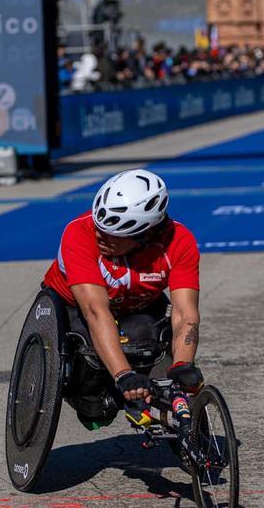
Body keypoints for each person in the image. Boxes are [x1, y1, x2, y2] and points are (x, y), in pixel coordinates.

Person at [41, 169, 203, 430]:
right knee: (92, 379)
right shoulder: (79, 233)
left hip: (137, 305)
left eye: (113, 234)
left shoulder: (180, 242)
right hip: (75, 304)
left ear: (145, 234)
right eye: (100, 226)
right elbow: (95, 312)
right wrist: (123, 374)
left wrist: (183, 362)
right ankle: (96, 397)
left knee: (148, 344)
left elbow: (186, 313)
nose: (100, 237)